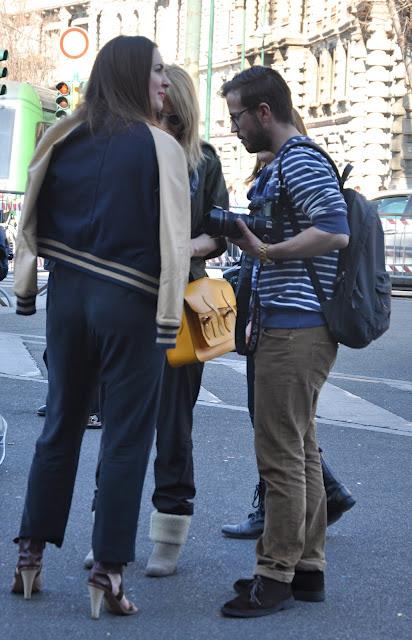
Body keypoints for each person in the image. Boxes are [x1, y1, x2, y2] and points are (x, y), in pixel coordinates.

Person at [11, 35, 191, 620]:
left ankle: (30, 556)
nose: (165, 82)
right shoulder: (161, 148)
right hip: (132, 300)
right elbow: (173, 245)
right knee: (126, 436)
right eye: (157, 71)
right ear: (134, 75)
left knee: (60, 423)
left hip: (68, 294)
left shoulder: (63, 135)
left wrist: (24, 286)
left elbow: (33, 210)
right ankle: (108, 570)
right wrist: (169, 316)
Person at [83, 63, 228, 576]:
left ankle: (169, 531)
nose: (158, 92)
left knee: (174, 424)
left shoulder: (203, 160)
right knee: (120, 418)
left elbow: (220, 230)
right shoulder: (127, 148)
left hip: (186, 299)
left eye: (166, 88)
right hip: (128, 297)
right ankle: (109, 530)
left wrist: (185, 245)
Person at [219, 66, 350, 618]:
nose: (235, 129)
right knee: (301, 451)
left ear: (264, 113)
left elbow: (334, 229)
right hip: (288, 321)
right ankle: (308, 570)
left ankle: (273, 574)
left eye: (237, 117)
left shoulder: (299, 159)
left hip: (299, 328)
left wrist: (266, 252)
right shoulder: (280, 164)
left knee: (279, 455)